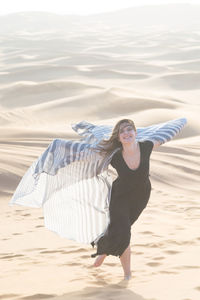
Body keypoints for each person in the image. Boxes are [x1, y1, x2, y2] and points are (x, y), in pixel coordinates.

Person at [90, 118, 161, 280]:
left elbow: (164, 136)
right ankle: (127, 274)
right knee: (124, 231)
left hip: (141, 197)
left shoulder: (146, 146)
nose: (126, 133)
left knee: (121, 230)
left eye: (129, 129)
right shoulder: (114, 155)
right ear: (118, 137)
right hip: (120, 197)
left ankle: (105, 250)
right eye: (122, 131)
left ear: (135, 133)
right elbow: (91, 156)